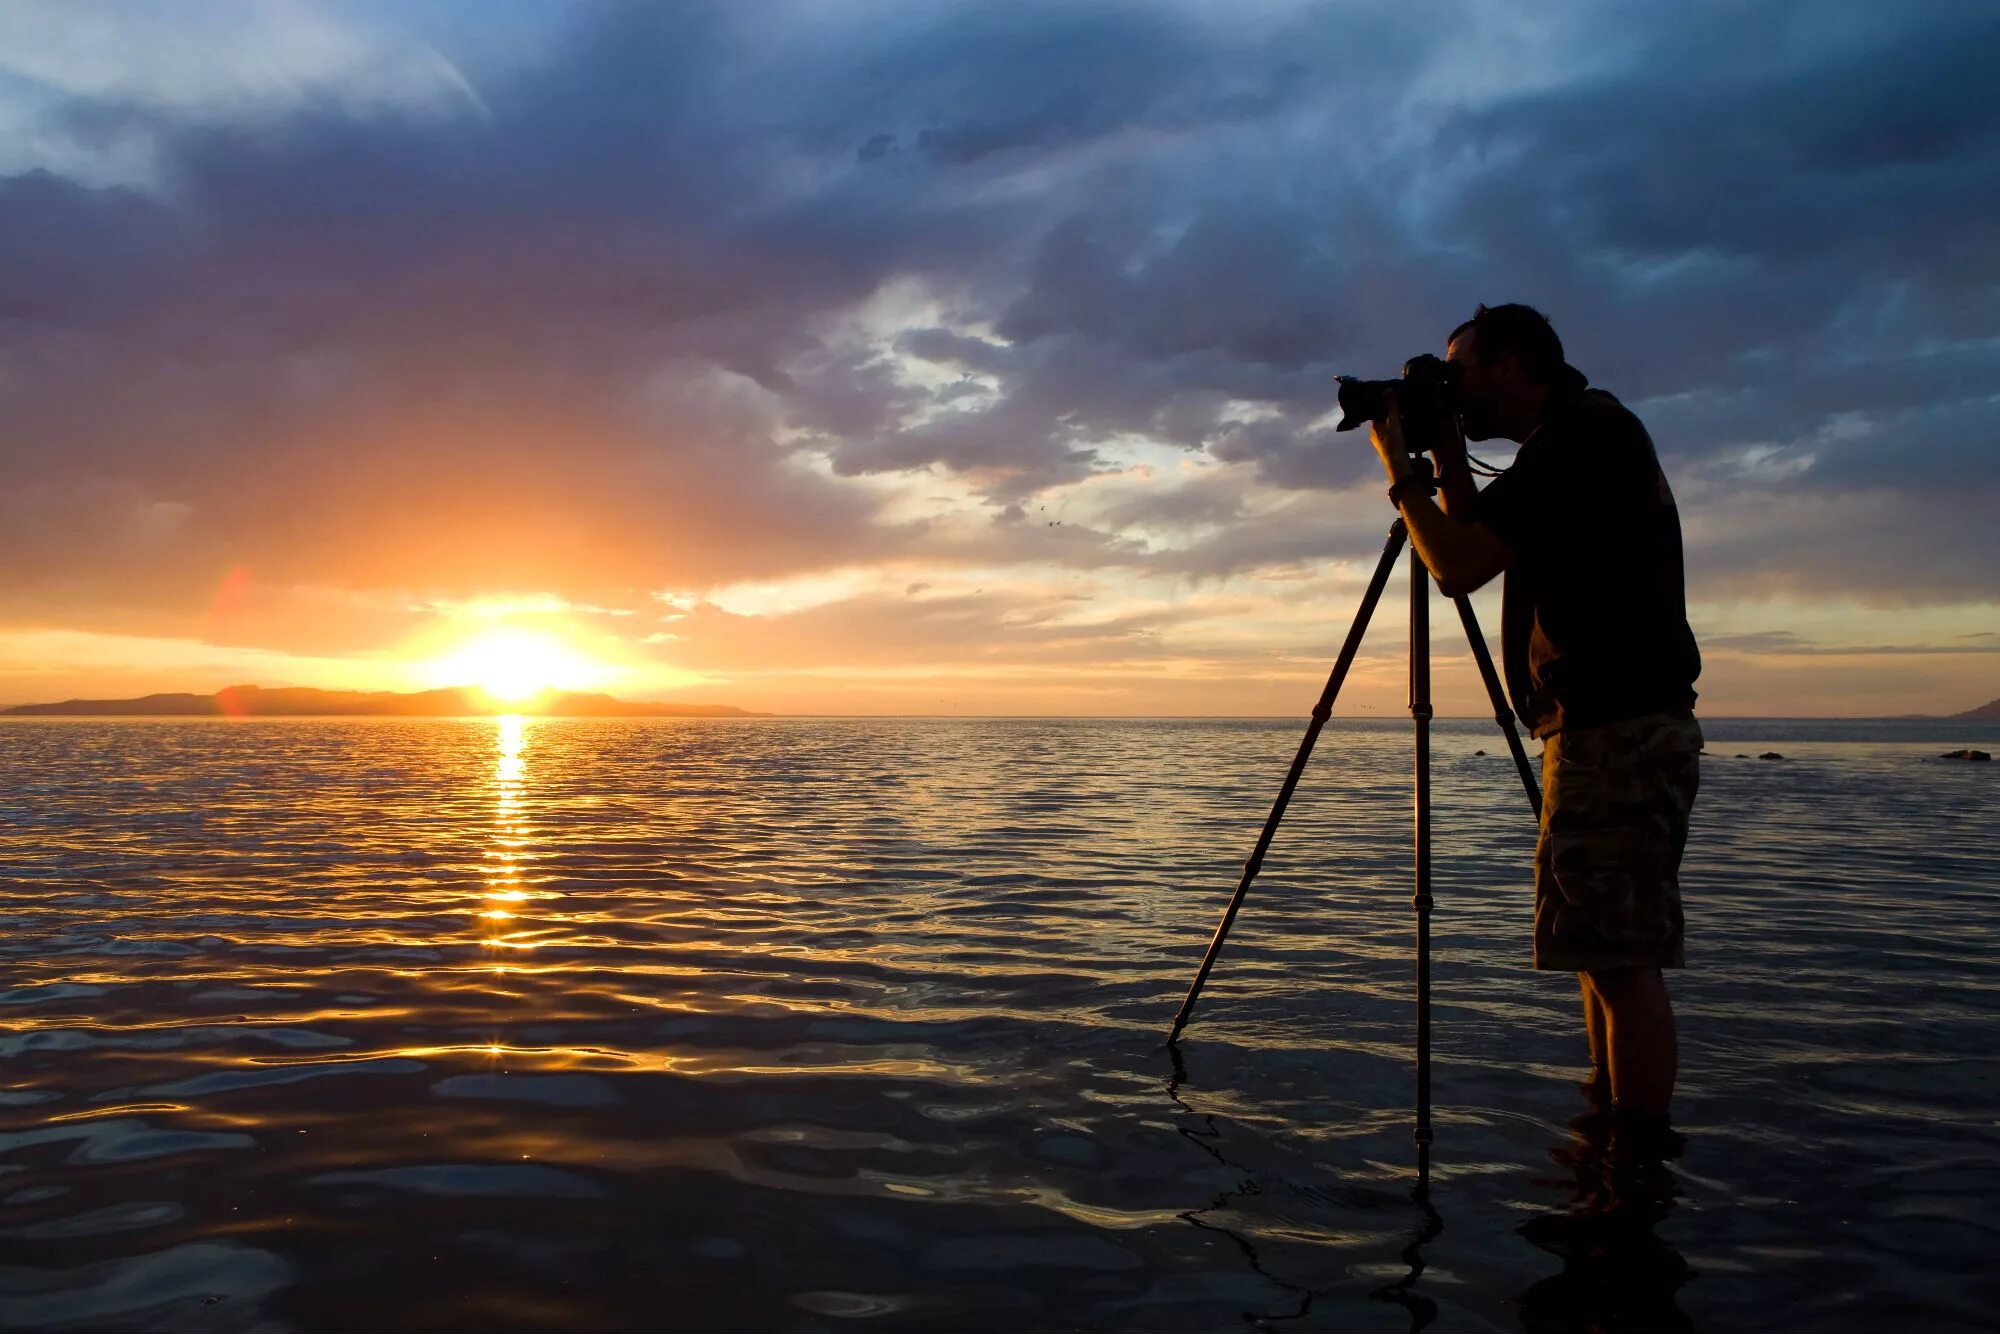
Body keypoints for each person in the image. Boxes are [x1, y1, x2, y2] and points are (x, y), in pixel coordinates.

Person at [1365, 303, 1702, 1153]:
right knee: (1602, 950)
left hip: (1614, 730)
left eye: (1462, 374)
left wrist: (1400, 472)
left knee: (1621, 962)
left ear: (1510, 366)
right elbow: (1486, 528)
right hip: (1605, 727)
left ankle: (1636, 1170)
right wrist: (1443, 446)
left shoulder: (1577, 443)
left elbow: (1457, 564)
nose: (1458, 392)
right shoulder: (1586, 435)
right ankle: (1605, 1135)